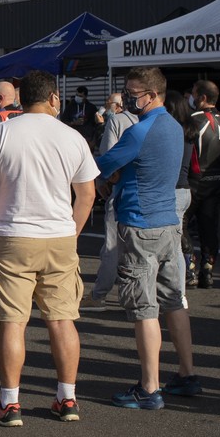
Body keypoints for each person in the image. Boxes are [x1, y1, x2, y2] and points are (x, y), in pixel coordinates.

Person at [0, 69, 98, 425]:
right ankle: (67, 398)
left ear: (20, 98)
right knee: (62, 320)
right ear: (54, 97)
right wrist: (72, 232)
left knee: (13, 322)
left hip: (13, 235)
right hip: (59, 236)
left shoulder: (2, 132)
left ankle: (10, 403)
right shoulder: (72, 136)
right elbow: (87, 194)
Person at [94, 67, 199, 409]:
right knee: (173, 300)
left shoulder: (139, 131)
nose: (128, 98)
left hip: (140, 224)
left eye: (133, 93)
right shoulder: (174, 127)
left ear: (152, 95)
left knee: (144, 308)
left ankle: (149, 388)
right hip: (169, 223)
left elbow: (103, 165)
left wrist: (108, 176)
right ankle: (186, 373)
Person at [83, 90, 136, 307]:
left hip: (120, 189)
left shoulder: (117, 121)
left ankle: (99, 295)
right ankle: (132, 295)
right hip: (147, 193)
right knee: (137, 249)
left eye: (109, 102)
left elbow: (107, 157)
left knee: (113, 246)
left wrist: (101, 181)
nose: (106, 106)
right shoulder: (157, 121)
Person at [182, 81, 220, 289]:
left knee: (180, 223)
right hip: (216, 181)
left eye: (193, 94)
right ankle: (208, 271)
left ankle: (190, 267)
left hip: (194, 181)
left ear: (201, 97)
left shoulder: (192, 119)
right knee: (209, 228)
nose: (190, 99)